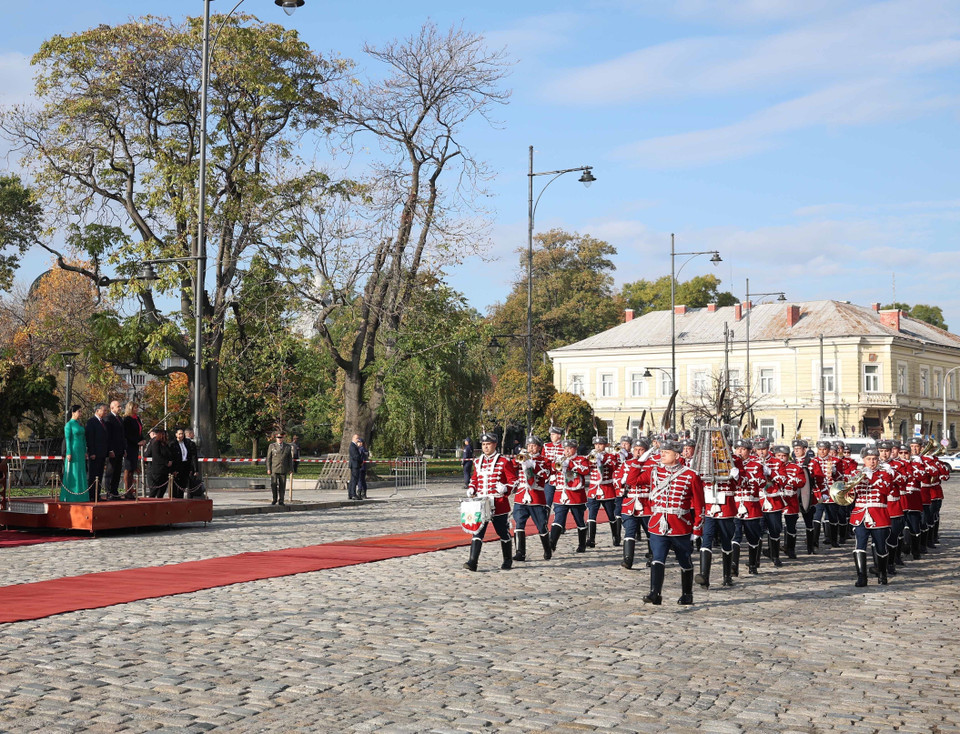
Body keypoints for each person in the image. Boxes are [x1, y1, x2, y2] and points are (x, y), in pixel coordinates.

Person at [638, 439, 704, 606]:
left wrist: (697, 529)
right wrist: (640, 460)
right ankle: (655, 593)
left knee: (684, 560)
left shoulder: (691, 475)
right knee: (657, 558)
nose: (662, 455)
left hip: (680, 524)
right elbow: (632, 480)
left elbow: (699, 504)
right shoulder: (654, 471)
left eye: (666, 453)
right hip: (658, 524)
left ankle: (687, 594)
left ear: (676, 455)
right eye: (661, 452)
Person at [463, 432, 518, 572]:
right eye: (483, 444)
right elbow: (475, 478)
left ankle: (507, 560)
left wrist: (506, 488)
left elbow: (514, 481)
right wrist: (472, 487)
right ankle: (472, 562)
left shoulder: (504, 461)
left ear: (495, 445)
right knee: (477, 531)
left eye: (488, 444)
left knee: (503, 532)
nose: (486, 447)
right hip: (481, 503)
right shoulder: (478, 461)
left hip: (498, 502)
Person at [848, 447, 893, 587]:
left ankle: (882, 573)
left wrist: (872, 477)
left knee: (881, 547)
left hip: (878, 514)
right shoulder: (856, 473)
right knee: (859, 546)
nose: (872, 462)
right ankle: (862, 577)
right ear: (863, 460)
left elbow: (886, 490)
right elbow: (849, 494)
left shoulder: (885, 473)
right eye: (869, 459)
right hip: (860, 514)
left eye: (874, 459)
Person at [511, 435, 552, 562]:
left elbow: (547, 474)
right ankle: (520, 552)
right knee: (519, 523)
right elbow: (511, 467)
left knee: (541, 526)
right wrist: (518, 459)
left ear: (539, 447)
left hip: (536, 497)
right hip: (521, 496)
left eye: (533, 446)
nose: (530, 448)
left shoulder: (545, 460)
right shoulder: (522, 457)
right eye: (529, 446)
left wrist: (533, 464)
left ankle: (547, 549)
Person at [548, 439, 592, 554]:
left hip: (575, 495)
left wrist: (571, 464)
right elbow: (552, 469)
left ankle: (582, 544)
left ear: (575, 449)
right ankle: (551, 544)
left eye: (570, 448)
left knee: (579, 520)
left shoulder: (581, 459)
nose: (567, 451)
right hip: (561, 494)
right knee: (558, 519)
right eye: (565, 448)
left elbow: (585, 470)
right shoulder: (559, 459)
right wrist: (557, 465)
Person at [586, 435, 620, 548]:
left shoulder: (610, 456)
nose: (597, 447)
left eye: (600, 444)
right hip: (594, 489)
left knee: (611, 515)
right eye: (596, 444)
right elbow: (586, 467)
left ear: (605, 445)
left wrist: (602, 459)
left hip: (607, 489)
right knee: (591, 515)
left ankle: (616, 536)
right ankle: (591, 539)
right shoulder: (591, 456)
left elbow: (614, 466)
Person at [61, 405, 89, 502]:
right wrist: (68, 452)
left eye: (81, 411)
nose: (80, 413)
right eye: (79, 411)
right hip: (73, 450)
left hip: (81, 450)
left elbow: (84, 438)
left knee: (81, 471)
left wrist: (85, 451)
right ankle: (70, 495)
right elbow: (68, 439)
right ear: (73, 412)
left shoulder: (80, 424)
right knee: (73, 471)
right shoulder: (69, 425)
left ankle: (82, 495)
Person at [85, 403, 109, 501]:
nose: (106, 412)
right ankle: (91, 495)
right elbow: (90, 438)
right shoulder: (91, 422)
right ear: (97, 410)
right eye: (104, 410)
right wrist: (92, 452)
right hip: (95, 453)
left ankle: (97, 494)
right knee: (93, 475)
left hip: (102, 453)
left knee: (99, 474)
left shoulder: (103, 422)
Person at [122, 401, 145, 497]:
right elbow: (127, 434)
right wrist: (136, 442)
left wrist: (142, 439)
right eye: (135, 408)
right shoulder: (127, 419)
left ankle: (131, 491)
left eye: (137, 408)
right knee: (128, 468)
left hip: (135, 447)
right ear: (130, 408)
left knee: (133, 468)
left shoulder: (137, 418)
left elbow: (139, 431)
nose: (137, 409)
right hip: (129, 446)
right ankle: (127, 491)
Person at [103, 399, 126, 499]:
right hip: (112, 450)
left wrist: (124, 449)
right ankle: (109, 493)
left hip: (120, 450)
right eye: (118, 406)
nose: (120, 408)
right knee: (110, 472)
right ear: (112, 407)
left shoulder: (120, 419)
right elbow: (108, 436)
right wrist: (110, 449)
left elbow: (122, 435)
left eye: (120, 406)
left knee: (117, 472)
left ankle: (115, 491)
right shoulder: (108, 419)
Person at [266, 431, 294, 506]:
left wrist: (291, 468)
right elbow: (268, 458)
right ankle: (274, 499)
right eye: (278, 437)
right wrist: (268, 468)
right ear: (276, 438)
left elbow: (289, 459)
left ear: (283, 438)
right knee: (274, 484)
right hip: (274, 469)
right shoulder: (272, 446)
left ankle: (281, 500)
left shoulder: (287, 447)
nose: (279, 439)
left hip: (283, 469)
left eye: (281, 437)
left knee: (282, 485)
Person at [171, 427, 199, 499]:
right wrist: (173, 469)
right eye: (179, 434)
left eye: (182, 434)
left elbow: (192, 456)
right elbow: (172, 457)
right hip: (177, 467)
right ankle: (175, 500)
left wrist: (195, 469)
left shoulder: (187, 443)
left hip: (185, 467)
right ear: (176, 435)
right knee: (175, 487)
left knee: (183, 486)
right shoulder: (173, 444)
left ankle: (181, 500)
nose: (181, 435)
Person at [145, 428, 172, 498]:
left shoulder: (165, 444)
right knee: (154, 490)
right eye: (166, 435)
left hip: (165, 470)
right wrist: (166, 462)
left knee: (162, 491)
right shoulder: (156, 443)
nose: (167, 437)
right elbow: (157, 456)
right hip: (157, 470)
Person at [347, 434, 363, 500]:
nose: (358, 440)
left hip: (355, 464)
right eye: (357, 439)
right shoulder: (352, 446)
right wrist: (360, 461)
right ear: (354, 438)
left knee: (353, 480)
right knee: (354, 480)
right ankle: (353, 494)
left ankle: (350, 494)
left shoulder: (354, 446)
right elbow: (355, 456)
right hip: (354, 465)